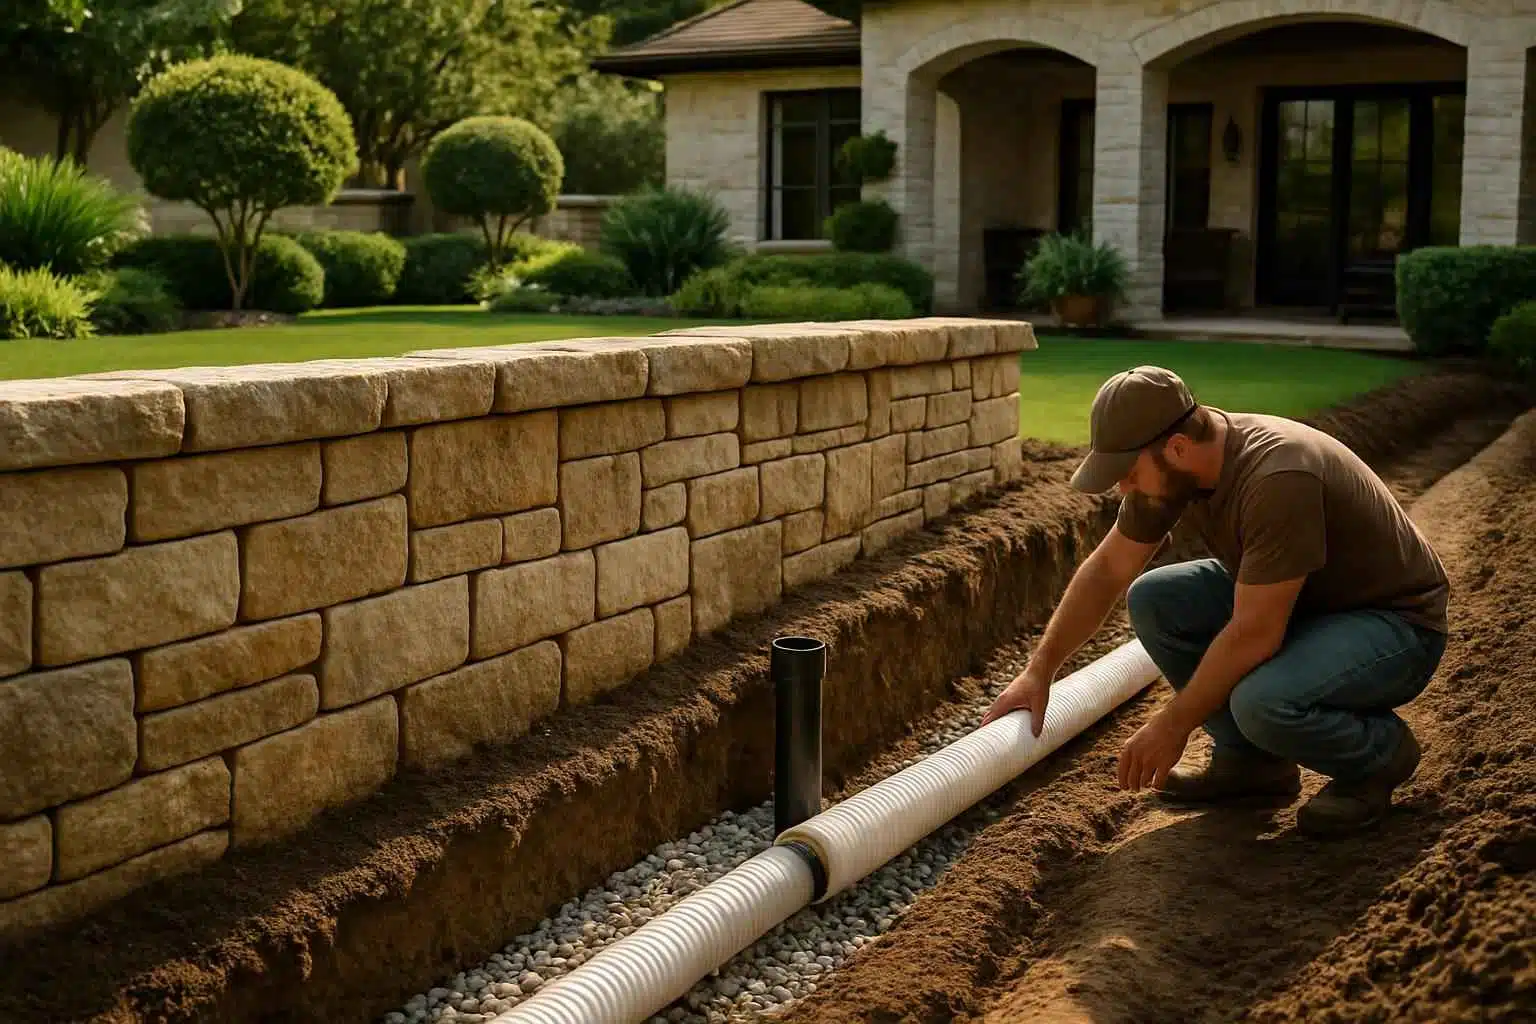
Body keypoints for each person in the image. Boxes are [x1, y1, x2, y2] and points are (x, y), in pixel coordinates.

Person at [980, 366, 1449, 837]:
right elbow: (1108, 571)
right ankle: (1252, 765)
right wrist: (1039, 672)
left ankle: (1379, 757)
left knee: (1262, 702)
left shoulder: (1278, 475)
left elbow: (1255, 633)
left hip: (1392, 625)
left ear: (1178, 447)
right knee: (1157, 599)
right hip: (1309, 604)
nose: (1123, 486)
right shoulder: (1172, 469)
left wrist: (1172, 725)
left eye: (1128, 471)